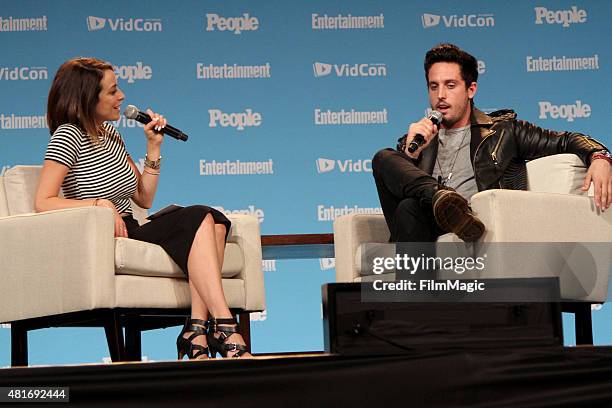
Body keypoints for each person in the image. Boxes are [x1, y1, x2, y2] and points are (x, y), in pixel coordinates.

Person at [35, 57, 249, 359]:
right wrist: (99, 206)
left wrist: (153, 147)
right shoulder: (68, 134)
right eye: (112, 91)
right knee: (200, 215)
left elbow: (144, 198)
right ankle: (225, 326)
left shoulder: (110, 134)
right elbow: (43, 201)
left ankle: (197, 331)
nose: (122, 97)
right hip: (108, 233)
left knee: (215, 221)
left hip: (133, 226)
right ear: (87, 97)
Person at [373, 43, 611, 243]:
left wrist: (600, 156)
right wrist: (411, 154)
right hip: (425, 223)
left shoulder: (502, 131)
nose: (440, 95)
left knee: (407, 209)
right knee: (384, 161)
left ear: (471, 89)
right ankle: (439, 197)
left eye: (450, 85)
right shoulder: (417, 140)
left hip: (472, 223)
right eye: (433, 87)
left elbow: (565, 141)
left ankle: (413, 292)